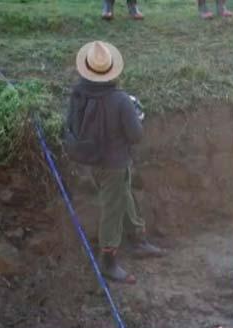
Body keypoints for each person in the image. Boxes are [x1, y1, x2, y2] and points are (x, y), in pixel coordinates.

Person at [66, 41, 165, 284]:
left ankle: (138, 237)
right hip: (114, 163)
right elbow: (136, 136)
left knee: (122, 195)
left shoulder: (79, 93)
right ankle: (108, 262)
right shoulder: (120, 100)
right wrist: (137, 115)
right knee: (112, 209)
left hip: (90, 160)